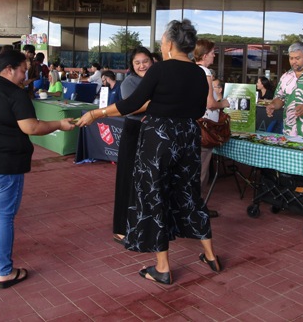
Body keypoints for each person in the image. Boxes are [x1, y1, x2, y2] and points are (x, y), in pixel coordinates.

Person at [77, 20, 221, 285]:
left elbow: (131, 104)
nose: (161, 45)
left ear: (170, 43)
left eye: (162, 40)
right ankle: (211, 255)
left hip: (159, 138)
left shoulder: (161, 70)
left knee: (155, 196)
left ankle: (163, 268)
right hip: (188, 137)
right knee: (189, 194)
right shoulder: (199, 73)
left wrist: (97, 113)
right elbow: (200, 110)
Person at [0, 50, 75, 289]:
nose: (25, 76)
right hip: (2, 166)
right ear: (9, 69)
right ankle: (4, 271)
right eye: (23, 71)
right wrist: (59, 123)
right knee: (3, 217)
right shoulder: (14, 93)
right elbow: (31, 127)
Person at [111, 47, 153, 245]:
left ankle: (143, 224)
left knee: (146, 180)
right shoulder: (129, 82)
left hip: (152, 132)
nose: (142, 66)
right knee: (127, 178)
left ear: (152, 61)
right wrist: (159, 103)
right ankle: (121, 229)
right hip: (134, 131)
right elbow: (132, 106)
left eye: (145, 61)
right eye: (137, 62)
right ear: (132, 65)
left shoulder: (156, 79)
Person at [194, 39, 230, 217]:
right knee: (201, 171)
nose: (214, 55)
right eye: (212, 53)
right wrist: (223, 103)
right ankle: (196, 210)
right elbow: (210, 103)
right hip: (204, 128)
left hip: (193, 126)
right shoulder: (205, 72)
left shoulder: (191, 70)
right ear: (204, 54)